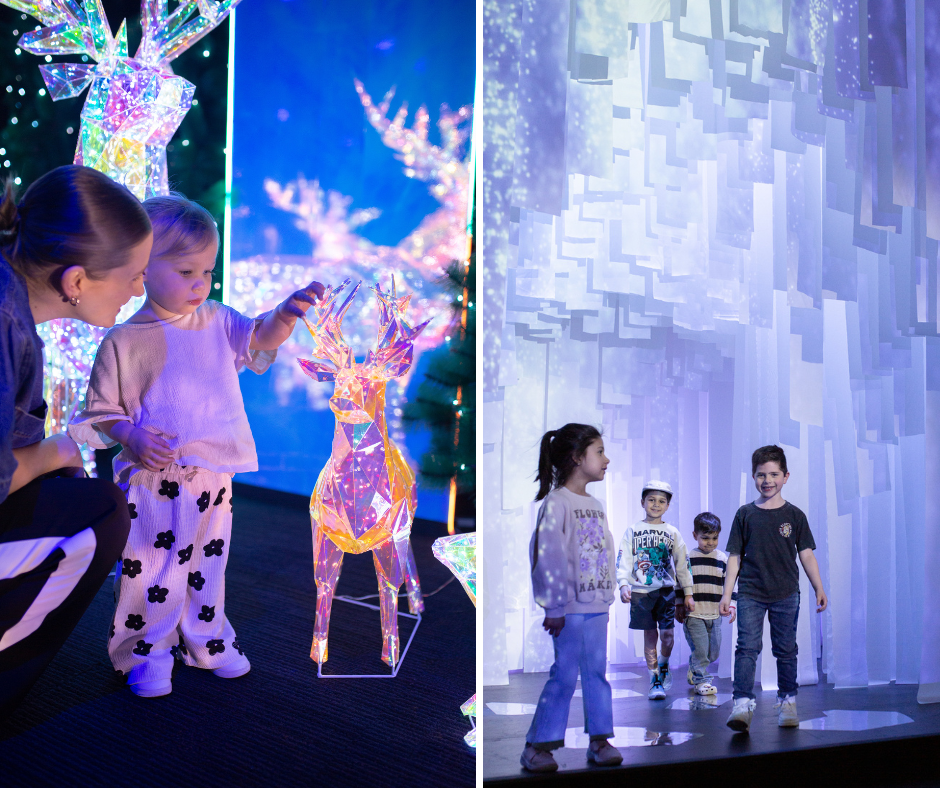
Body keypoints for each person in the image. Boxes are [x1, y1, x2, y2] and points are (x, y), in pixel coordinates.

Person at [68, 194, 324, 698]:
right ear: (143, 267)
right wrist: (133, 435)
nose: (198, 284)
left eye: (206, 272)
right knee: (151, 571)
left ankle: (206, 638)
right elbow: (102, 413)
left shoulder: (217, 320)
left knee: (208, 564)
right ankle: (146, 650)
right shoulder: (123, 340)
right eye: (185, 271)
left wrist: (285, 315)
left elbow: (260, 338)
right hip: (152, 482)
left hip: (212, 478)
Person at [0, 165, 153, 718]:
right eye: (133, 276)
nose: (140, 289)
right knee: (103, 511)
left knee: (76, 493)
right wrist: (62, 449)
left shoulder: (12, 308)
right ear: (76, 281)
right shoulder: (5, 324)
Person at [521, 424, 622, 773]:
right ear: (578, 458)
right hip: (570, 609)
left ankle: (600, 740)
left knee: (596, 671)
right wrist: (554, 605)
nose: (606, 459)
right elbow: (547, 554)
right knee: (564, 674)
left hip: (596, 607)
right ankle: (538, 745)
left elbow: (604, 551)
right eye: (599, 451)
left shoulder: (595, 504)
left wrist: (608, 594)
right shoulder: (557, 502)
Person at [720, 444, 828, 732]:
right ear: (753, 477)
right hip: (751, 594)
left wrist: (818, 586)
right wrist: (727, 593)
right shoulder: (745, 514)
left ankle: (788, 700)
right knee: (746, 648)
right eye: (760, 475)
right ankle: (742, 704)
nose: (767, 480)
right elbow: (734, 557)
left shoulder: (795, 516)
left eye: (773, 474)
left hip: (785, 593)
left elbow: (806, 554)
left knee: (786, 650)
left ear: (786, 476)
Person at [615, 480, 694, 700]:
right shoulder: (633, 530)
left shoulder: (672, 532)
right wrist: (623, 584)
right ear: (642, 502)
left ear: (668, 505)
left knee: (667, 635)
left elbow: (682, 564)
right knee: (650, 636)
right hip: (641, 591)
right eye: (651, 500)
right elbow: (624, 558)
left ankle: (664, 664)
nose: (656, 505)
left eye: (661, 501)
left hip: (666, 591)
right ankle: (654, 679)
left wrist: (688, 592)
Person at [674, 512, 736, 695]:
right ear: (695, 536)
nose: (710, 542)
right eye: (705, 538)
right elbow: (680, 582)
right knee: (700, 650)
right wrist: (679, 605)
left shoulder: (723, 559)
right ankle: (702, 681)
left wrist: (731, 603)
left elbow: (730, 584)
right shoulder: (688, 558)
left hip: (715, 613)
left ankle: (694, 669)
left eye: (715, 538)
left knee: (713, 653)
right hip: (694, 613)